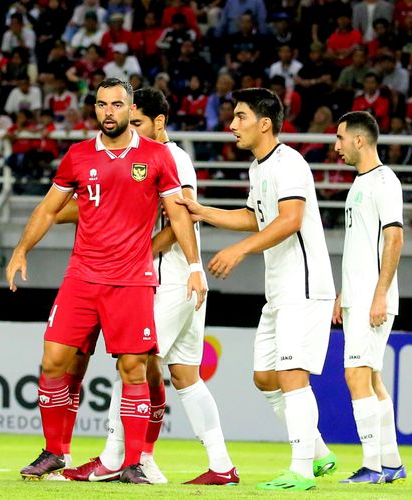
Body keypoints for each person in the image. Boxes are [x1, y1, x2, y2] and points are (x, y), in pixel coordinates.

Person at [5, 78, 207, 484]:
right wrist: (21, 248)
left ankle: (133, 464)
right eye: (101, 105)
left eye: (116, 104)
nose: (108, 111)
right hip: (82, 277)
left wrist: (196, 265)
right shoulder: (79, 156)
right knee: (53, 361)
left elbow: (179, 215)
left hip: (132, 280)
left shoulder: (156, 156)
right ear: (95, 109)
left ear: (130, 109)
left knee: (134, 368)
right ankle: (53, 452)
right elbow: (49, 209)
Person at [55, 87, 238, 485]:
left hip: (167, 279)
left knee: (130, 365)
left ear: (159, 122)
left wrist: (138, 251)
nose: (129, 129)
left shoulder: (168, 157)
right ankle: (220, 466)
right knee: (184, 377)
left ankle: (112, 458)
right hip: (182, 281)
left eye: (137, 122)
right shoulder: (148, 158)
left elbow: (182, 218)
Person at [177, 88, 337, 491]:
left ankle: (301, 470)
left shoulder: (289, 163)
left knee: (291, 373)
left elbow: (290, 219)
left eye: (240, 117)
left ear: (264, 123)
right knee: (265, 378)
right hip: (280, 290)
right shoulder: (259, 168)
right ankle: (319, 453)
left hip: (302, 286)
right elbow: (255, 217)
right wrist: (203, 212)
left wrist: (240, 251)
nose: (231, 126)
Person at [332, 111, 406, 484]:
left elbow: (394, 238)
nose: (336, 146)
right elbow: (364, 244)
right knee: (372, 377)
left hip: (372, 300)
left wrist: (378, 295)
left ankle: (372, 467)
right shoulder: (361, 183)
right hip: (358, 296)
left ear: (359, 140)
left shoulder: (384, 181)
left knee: (355, 374)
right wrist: (345, 291)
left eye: (341, 138)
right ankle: (391, 462)